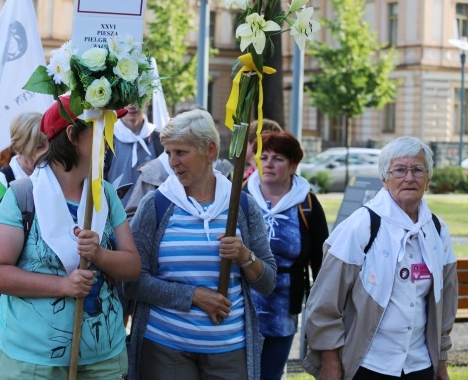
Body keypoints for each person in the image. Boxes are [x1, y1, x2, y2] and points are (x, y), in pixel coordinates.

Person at [0, 95, 140, 379]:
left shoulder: (107, 194)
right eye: (102, 127)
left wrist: (100, 254)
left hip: (103, 356)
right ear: (72, 135)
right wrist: (63, 285)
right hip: (31, 360)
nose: (109, 138)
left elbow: (132, 267)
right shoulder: (22, 195)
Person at [124, 109, 277, 380]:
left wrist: (244, 256)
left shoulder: (241, 205)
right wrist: (193, 296)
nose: (172, 162)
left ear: (210, 150)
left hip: (229, 350)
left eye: (181, 152)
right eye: (168, 152)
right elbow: (133, 281)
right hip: (165, 348)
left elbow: (267, 282)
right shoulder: (156, 205)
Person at [303, 136, 457, 380]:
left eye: (417, 169)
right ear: (384, 179)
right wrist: (330, 362)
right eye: (399, 170)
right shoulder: (361, 226)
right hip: (369, 364)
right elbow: (324, 302)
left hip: (420, 365)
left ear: (427, 180)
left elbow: (445, 303)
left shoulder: (438, 230)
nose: (409, 177)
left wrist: (440, 361)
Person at [244, 131, 329, 380]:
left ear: (293, 166)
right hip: (243, 302)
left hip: (284, 303)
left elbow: (322, 261)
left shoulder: (308, 204)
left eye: (278, 158)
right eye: (263, 156)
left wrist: (319, 306)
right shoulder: (241, 198)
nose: (268, 164)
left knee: (270, 373)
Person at [0, 112, 48, 206]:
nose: (46, 151)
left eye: (50, 143)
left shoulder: (58, 171)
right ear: (17, 148)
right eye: (39, 146)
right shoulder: (2, 181)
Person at [104, 103, 163, 207]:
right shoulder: (107, 138)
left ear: (146, 101)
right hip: (114, 215)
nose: (131, 105)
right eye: (126, 100)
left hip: (151, 216)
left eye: (136, 99)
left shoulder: (159, 140)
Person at [243, 118, 282, 183]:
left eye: (244, 140)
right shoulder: (248, 176)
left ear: (254, 143)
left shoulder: (270, 179)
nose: (242, 145)